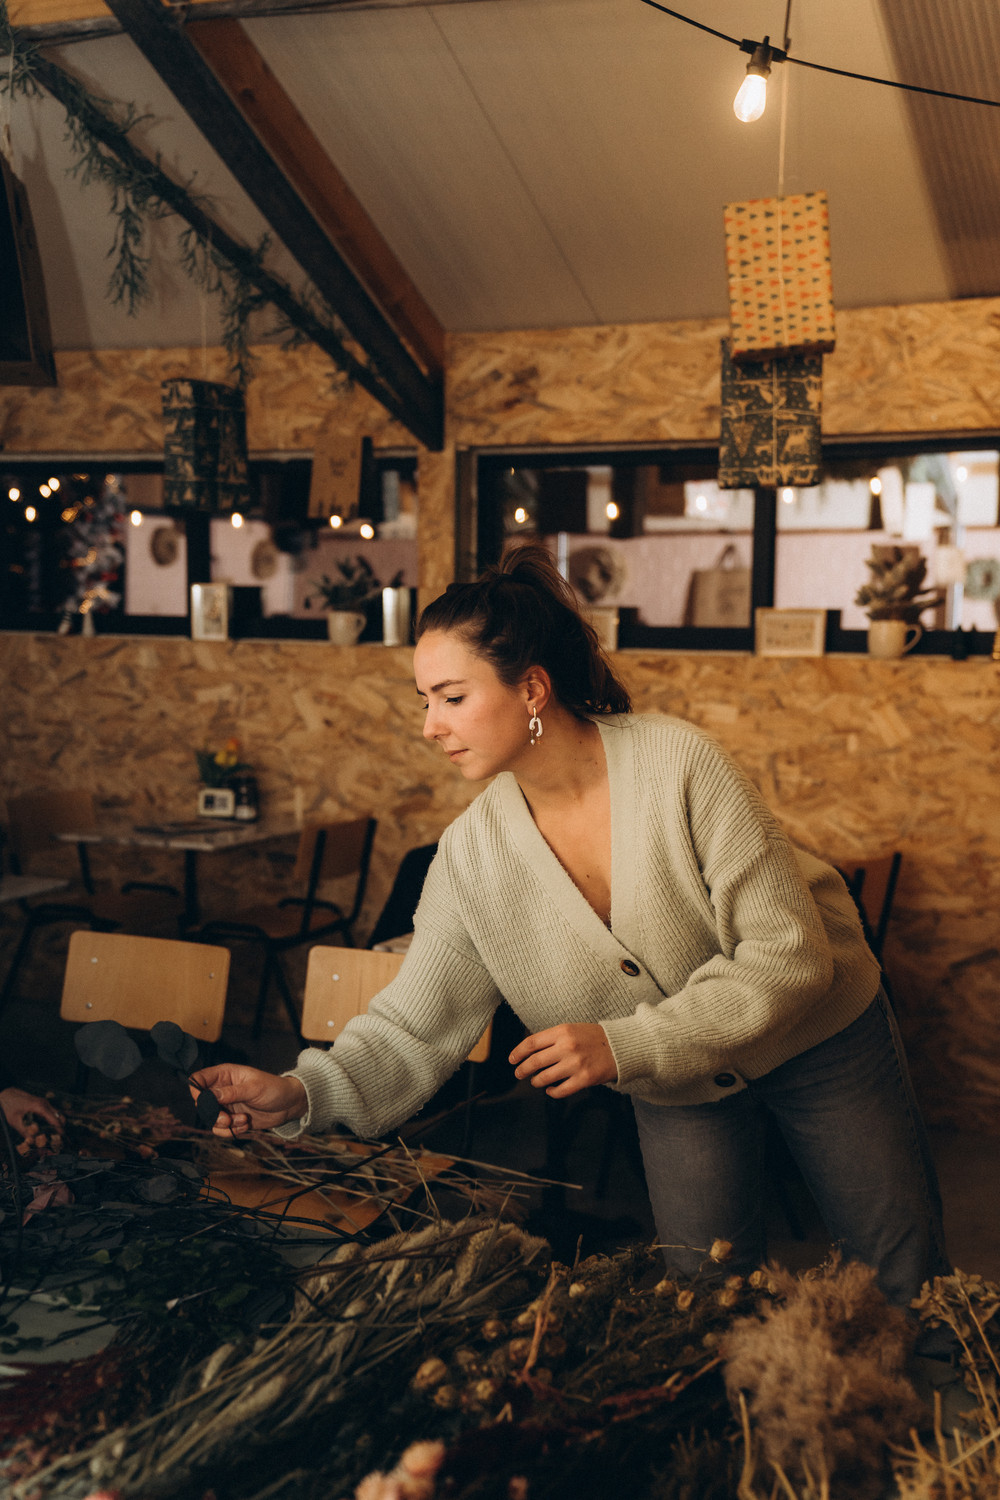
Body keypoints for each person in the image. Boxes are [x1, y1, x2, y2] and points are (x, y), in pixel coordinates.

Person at [192, 544, 949, 1306]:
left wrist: (627, 1043)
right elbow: (413, 1027)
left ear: (531, 688)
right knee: (701, 1294)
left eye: (451, 698)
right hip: (674, 1080)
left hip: (819, 1035)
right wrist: (302, 1092)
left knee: (900, 1274)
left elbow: (788, 957)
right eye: (423, 700)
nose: (429, 726)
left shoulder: (680, 765)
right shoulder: (470, 857)